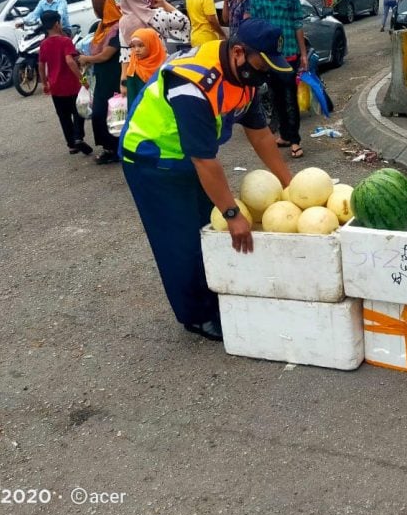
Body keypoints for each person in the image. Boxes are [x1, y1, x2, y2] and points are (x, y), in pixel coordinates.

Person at [118, 19, 294, 341]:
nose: (264, 74)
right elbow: (204, 160)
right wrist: (232, 214)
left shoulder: (245, 78)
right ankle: (197, 316)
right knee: (181, 240)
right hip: (152, 158)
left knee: (204, 228)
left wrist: (289, 185)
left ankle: (213, 296)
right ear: (239, 53)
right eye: (262, 66)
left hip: (190, 156)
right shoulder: (194, 82)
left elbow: (261, 136)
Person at [245, 0, 308, 159]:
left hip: (289, 53)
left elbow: (298, 23)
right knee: (275, 97)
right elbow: (254, 26)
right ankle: (284, 135)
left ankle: (295, 140)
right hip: (267, 57)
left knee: (290, 98)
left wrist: (304, 55)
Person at [119, 0, 190, 105]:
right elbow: (183, 21)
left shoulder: (123, 22)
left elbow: (125, 53)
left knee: (142, 108)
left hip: (136, 74)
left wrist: (123, 81)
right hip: (160, 68)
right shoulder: (157, 15)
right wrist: (164, 3)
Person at [37, 10, 91, 156]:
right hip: (72, 85)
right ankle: (78, 137)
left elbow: (41, 65)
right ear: (57, 24)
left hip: (55, 86)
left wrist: (45, 83)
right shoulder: (65, 41)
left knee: (64, 116)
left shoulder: (44, 44)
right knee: (78, 112)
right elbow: (70, 61)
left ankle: (71, 145)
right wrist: (83, 79)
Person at [77, 0, 122, 164]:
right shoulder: (102, 26)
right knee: (101, 113)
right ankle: (109, 147)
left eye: (95, 7)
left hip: (113, 75)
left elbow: (106, 55)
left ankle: (114, 149)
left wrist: (87, 59)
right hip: (102, 75)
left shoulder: (118, 28)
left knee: (109, 112)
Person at [122, 28, 168, 104]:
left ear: (152, 44)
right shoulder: (133, 67)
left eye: (141, 45)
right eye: (133, 46)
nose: (136, 50)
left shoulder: (165, 67)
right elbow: (132, 97)